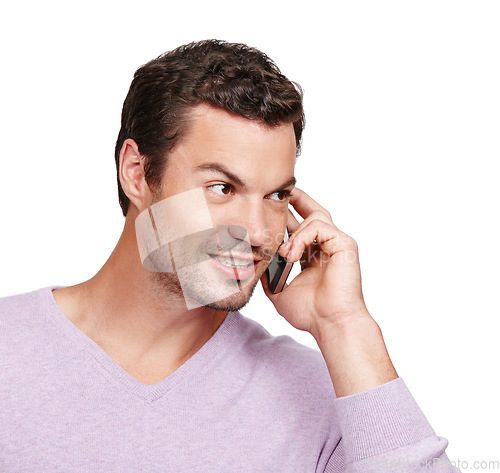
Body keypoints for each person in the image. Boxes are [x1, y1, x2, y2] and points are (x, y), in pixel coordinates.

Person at [0, 39, 460, 472]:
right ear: (137, 173)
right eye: (222, 188)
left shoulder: (331, 395)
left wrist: (344, 325)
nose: (258, 232)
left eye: (277, 195)